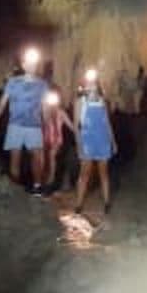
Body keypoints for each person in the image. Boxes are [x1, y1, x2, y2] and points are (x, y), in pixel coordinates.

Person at [0, 47, 49, 195]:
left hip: (34, 125)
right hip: (15, 124)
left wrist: (47, 125)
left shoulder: (42, 84)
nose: (31, 66)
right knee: (15, 157)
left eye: (34, 64)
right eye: (28, 63)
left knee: (37, 157)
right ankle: (15, 189)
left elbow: (44, 106)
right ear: (23, 65)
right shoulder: (13, 82)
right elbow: (3, 102)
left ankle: (37, 187)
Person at [73, 68, 117, 215]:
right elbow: (75, 125)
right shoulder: (80, 101)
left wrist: (113, 141)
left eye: (93, 83)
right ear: (84, 85)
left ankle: (106, 203)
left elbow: (107, 123)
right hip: (87, 141)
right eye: (88, 83)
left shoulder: (103, 101)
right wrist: (79, 145)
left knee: (103, 173)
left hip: (102, 140)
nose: (91, 85)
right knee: (84, 173)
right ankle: (78, 204)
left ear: (97, 85)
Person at [41, 88, 75, 190]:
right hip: (46, 138)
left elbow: (71, 126)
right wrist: (44, 105)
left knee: (52, 157)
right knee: (43, 158)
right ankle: (45, 179)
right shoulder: (45, 110)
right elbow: (44, 120)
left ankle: (51, 180)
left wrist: (80, 132)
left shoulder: (61, 112)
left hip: (56, 140)